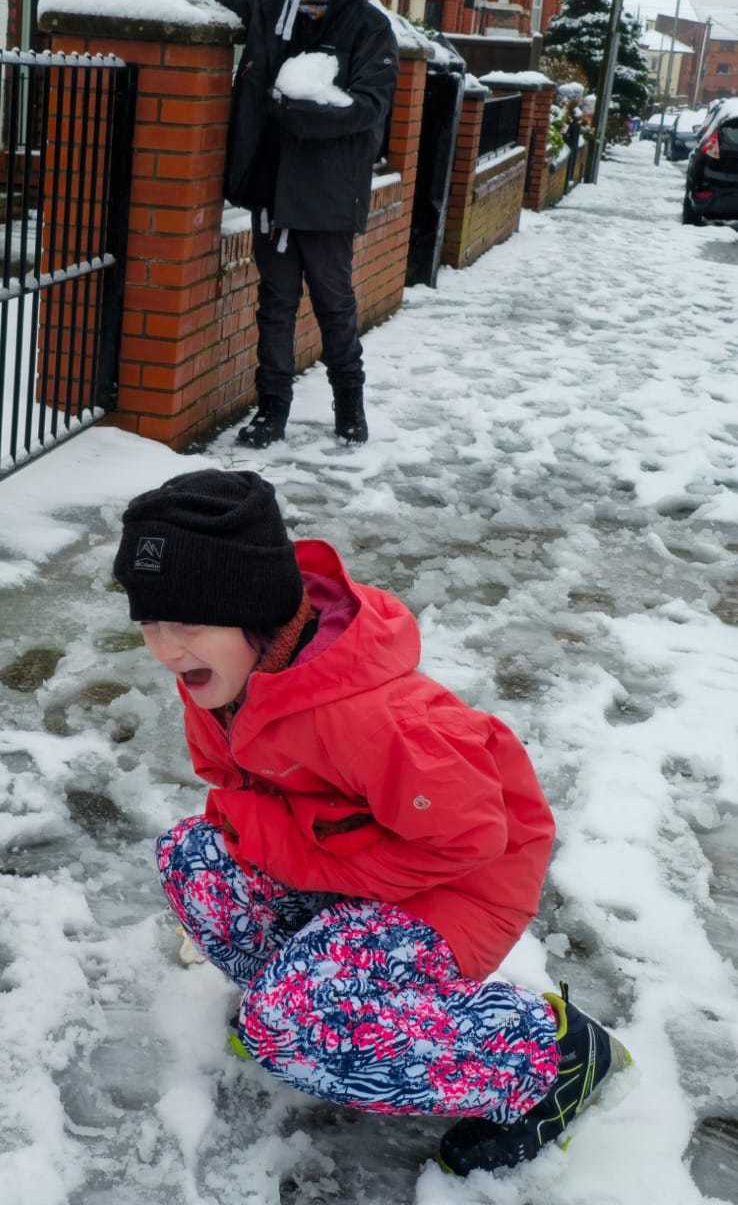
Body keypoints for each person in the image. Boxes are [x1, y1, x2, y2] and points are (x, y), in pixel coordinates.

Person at [113, 468, 631, 1179]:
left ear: (253, 611)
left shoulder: (376, 720)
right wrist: (297, 859)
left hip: (456, 886)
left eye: (188, 624)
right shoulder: (220, 683)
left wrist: (304, 862)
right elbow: (229, 792)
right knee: (194, 859)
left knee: (288, 1028)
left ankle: (548, 1055)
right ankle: (310, 998)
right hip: (359, 866)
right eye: (151, 623)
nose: (165, 649)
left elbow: (472, 837)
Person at [208, 0, 399, 448]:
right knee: (276, 302)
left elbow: (369, 106)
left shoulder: (368, 28)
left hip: (327, 193)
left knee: (333, 302)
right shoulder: (275, 4)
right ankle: (271, 412)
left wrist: (301, 110)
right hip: (272, 184)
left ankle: (349, 409)